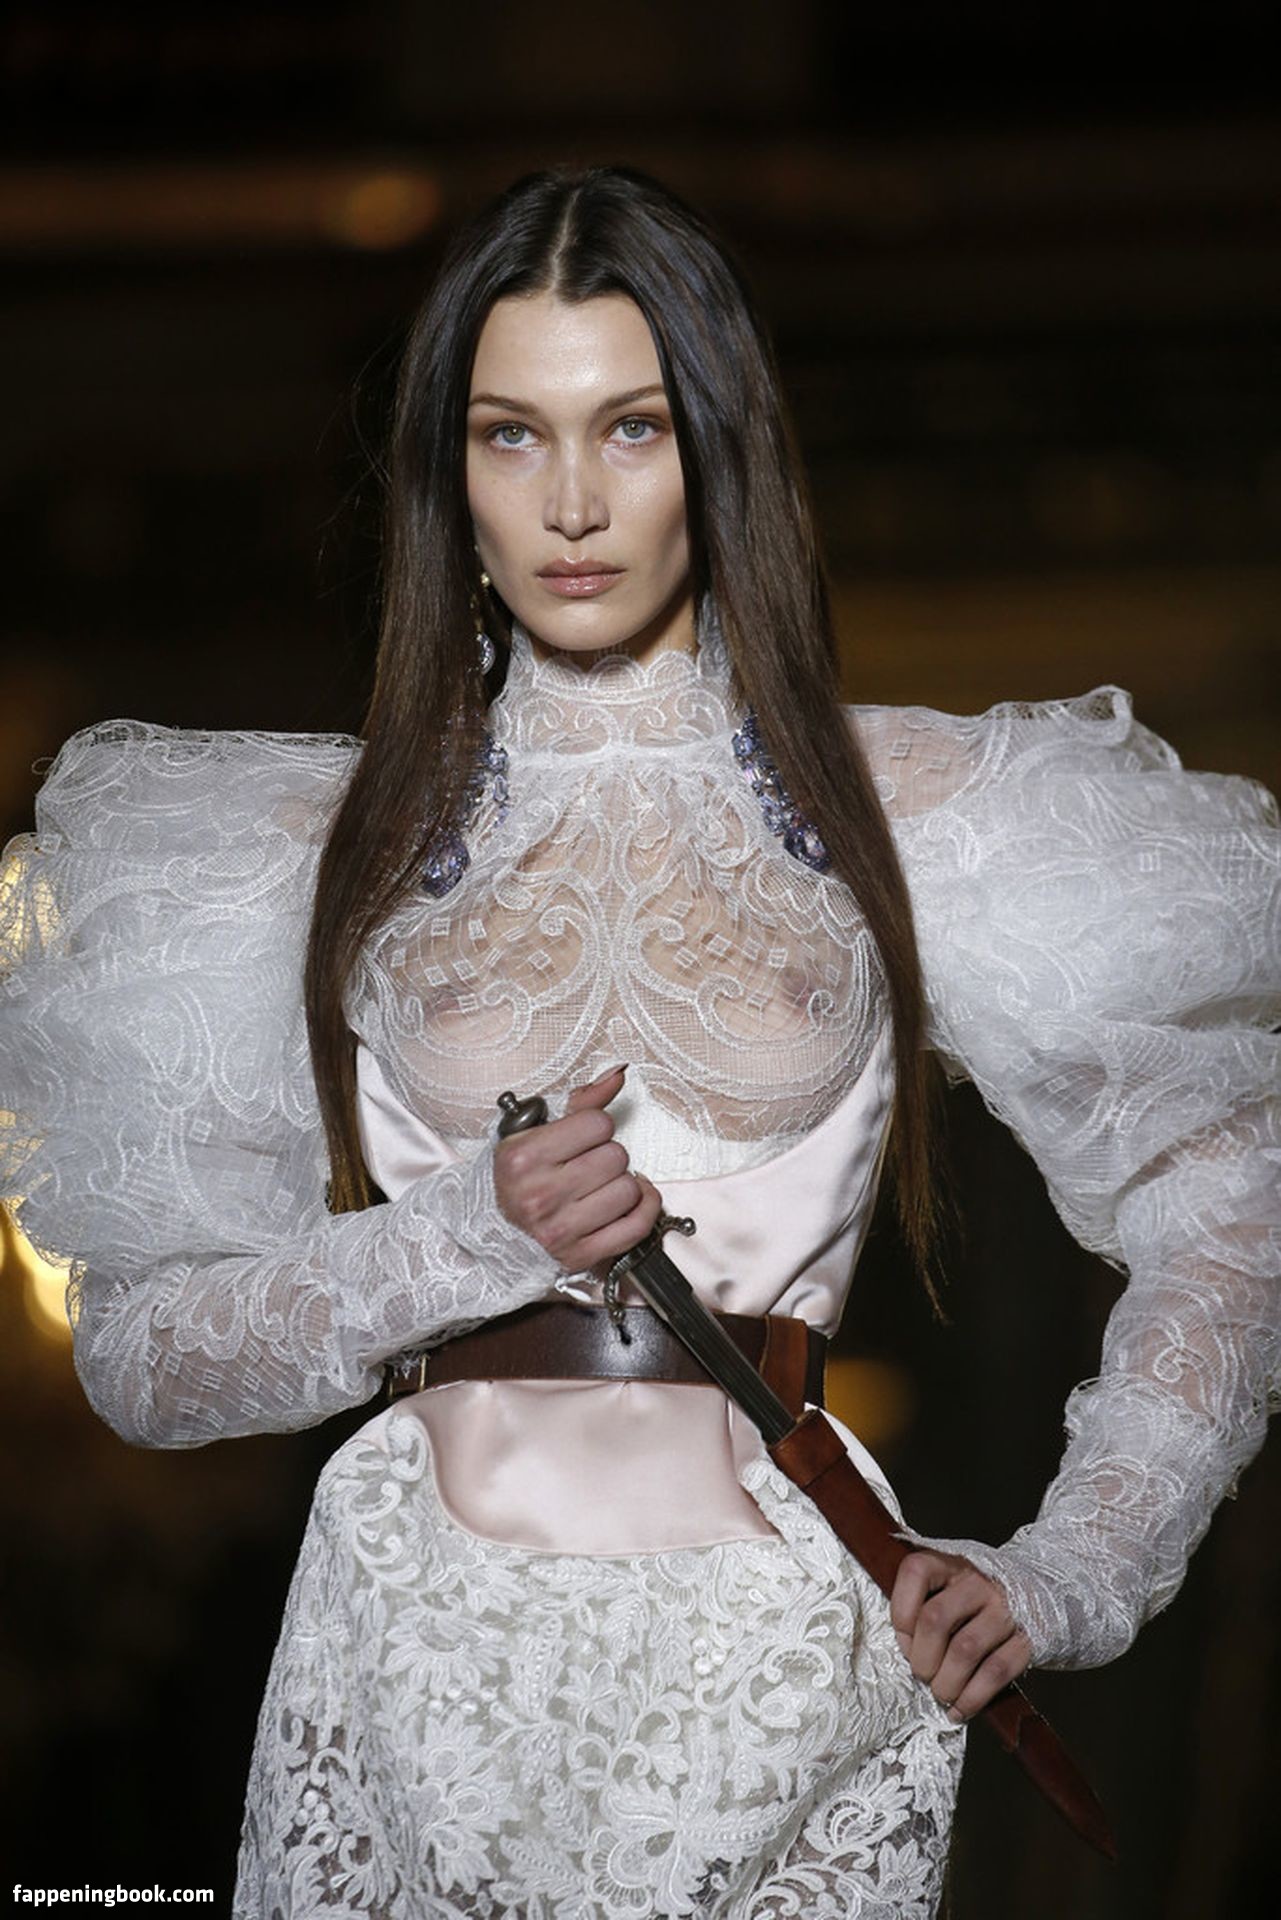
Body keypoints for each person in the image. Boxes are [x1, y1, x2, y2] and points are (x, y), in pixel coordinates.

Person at [0, 164, 1277, 1918]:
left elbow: (1231, 1203)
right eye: (509, 436)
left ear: (720, 452)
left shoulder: (914, 810)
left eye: (633, 428)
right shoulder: (303, 846)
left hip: (786, 1643)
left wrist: (1075, 1568)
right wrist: (460, 1242)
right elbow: (144, 1362)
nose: (572, 501)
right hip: (413, 1627)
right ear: (448, 473)